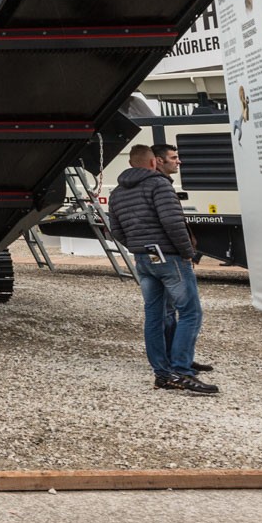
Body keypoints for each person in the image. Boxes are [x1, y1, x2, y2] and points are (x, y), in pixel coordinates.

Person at [109, 144, 216, 395]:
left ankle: (163, 372)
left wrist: (138, 247)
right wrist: (187, 252)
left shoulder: (117, 193)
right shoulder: (159, 185)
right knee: (190, 312)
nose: (178, 162)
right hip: (169, 257)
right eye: (174, 158)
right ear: (153, 162)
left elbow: (115, 230)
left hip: (143, 259)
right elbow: (172, 222)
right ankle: (181, 370)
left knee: (155, 315)